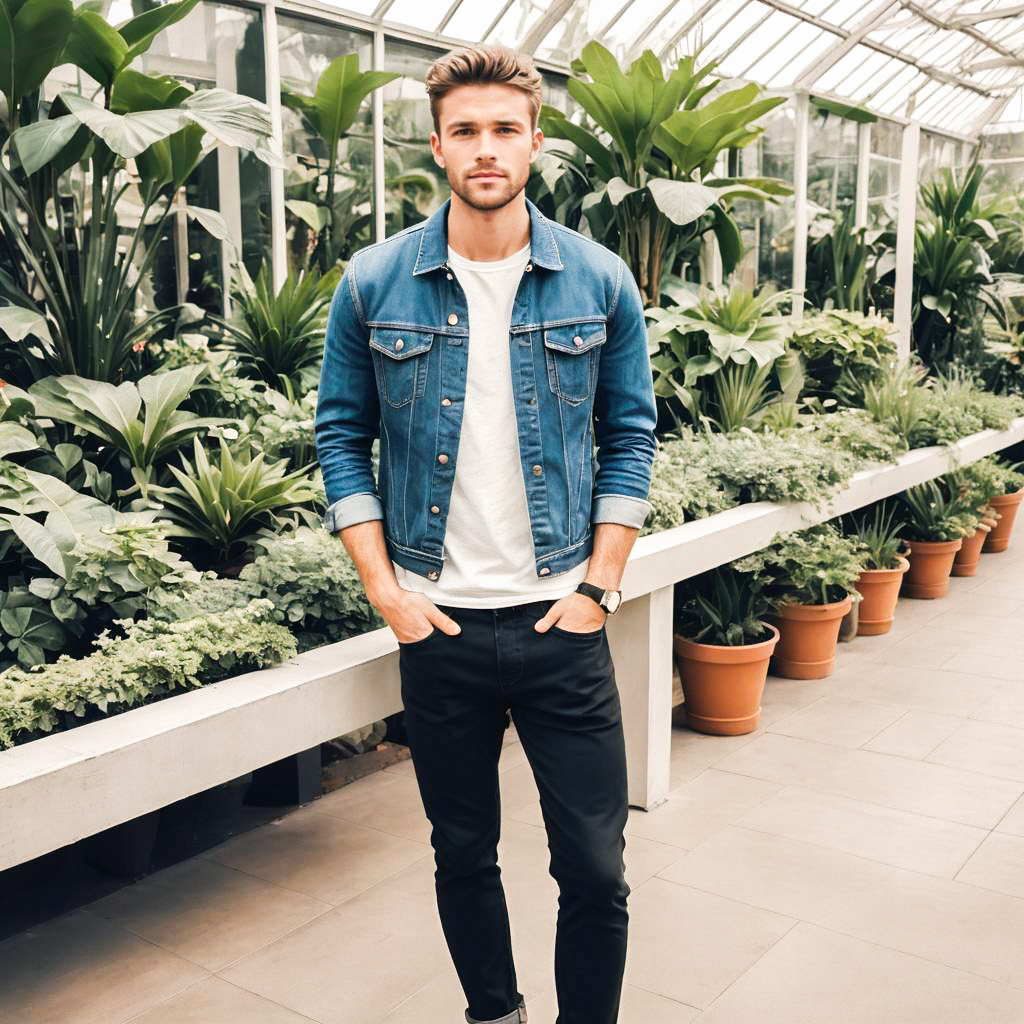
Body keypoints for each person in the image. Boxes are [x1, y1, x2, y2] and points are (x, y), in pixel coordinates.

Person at [314, 42, 658, 1024]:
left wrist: (596, 586)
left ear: (534, 143)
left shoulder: (597, 279)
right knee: (462, 851)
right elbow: (340, 434)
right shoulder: (375, 282)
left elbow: (630, 432)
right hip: (443, 627)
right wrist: (386, 590)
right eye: (465, 130)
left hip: (561, 622)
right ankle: (493, 1013)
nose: (486, 148)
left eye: (504, 129)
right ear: (437, 147)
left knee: (595, 866)